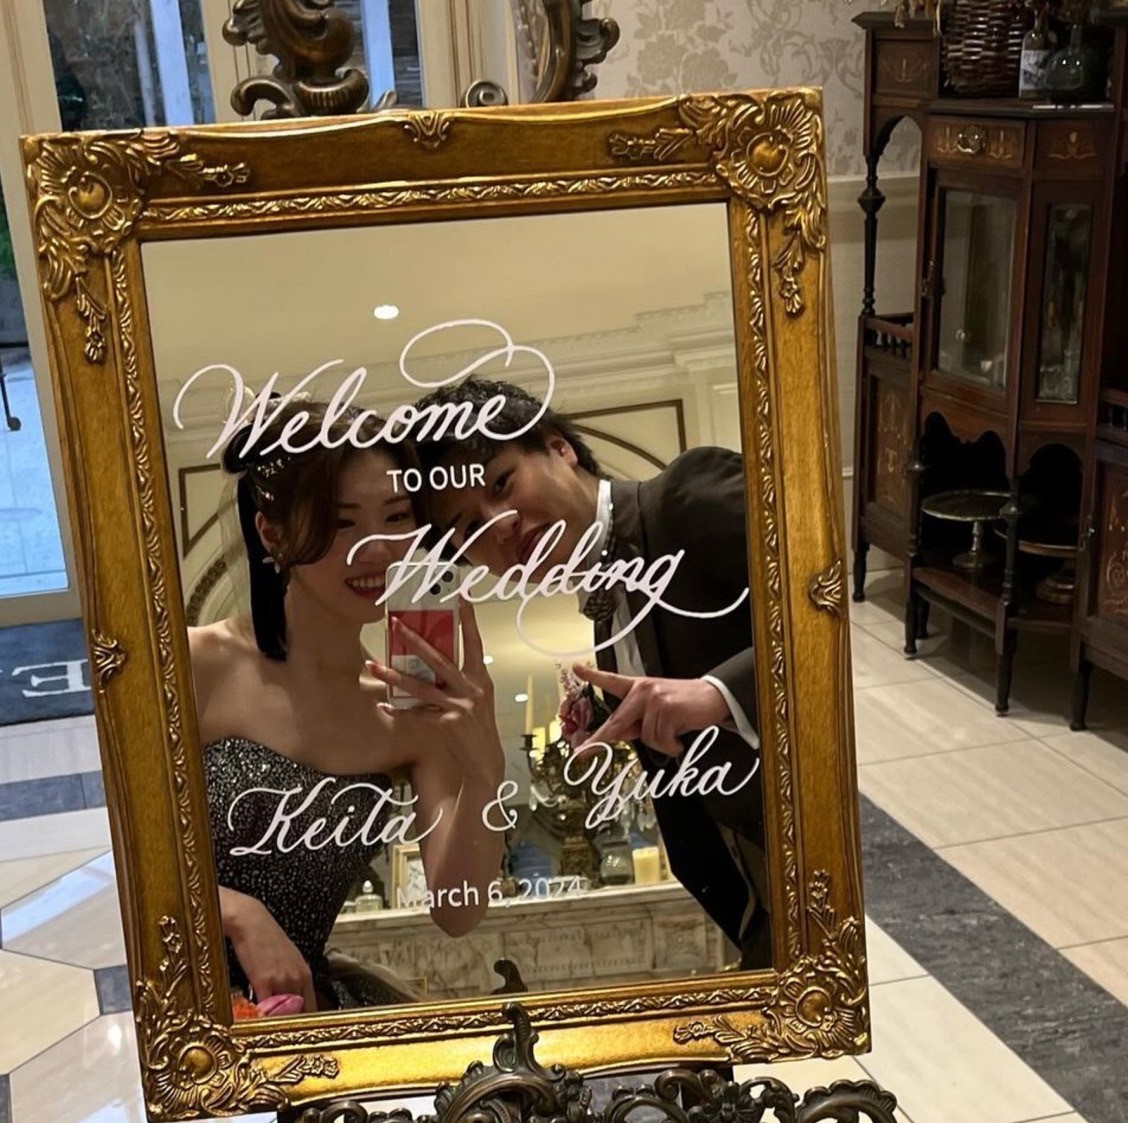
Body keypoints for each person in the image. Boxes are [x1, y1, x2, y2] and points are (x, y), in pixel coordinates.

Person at [415, 378, 770, 969]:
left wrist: (716, 694)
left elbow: (825, 616)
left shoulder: (687, 493)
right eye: (470, 529)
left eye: (501, 484)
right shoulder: (605, 621)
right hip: (762, 911)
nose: (498, 525)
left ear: (560, 448)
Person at [190, 400, 505, 1012]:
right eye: (341, 524)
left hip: (305, 1017)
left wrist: (485, 768)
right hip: (182, 1009)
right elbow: (126, 860)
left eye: (396, 518)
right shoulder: (197, 666)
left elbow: (458, 910)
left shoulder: (405, 710)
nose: (377, 550)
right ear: (272, 534)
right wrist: (235, 911)